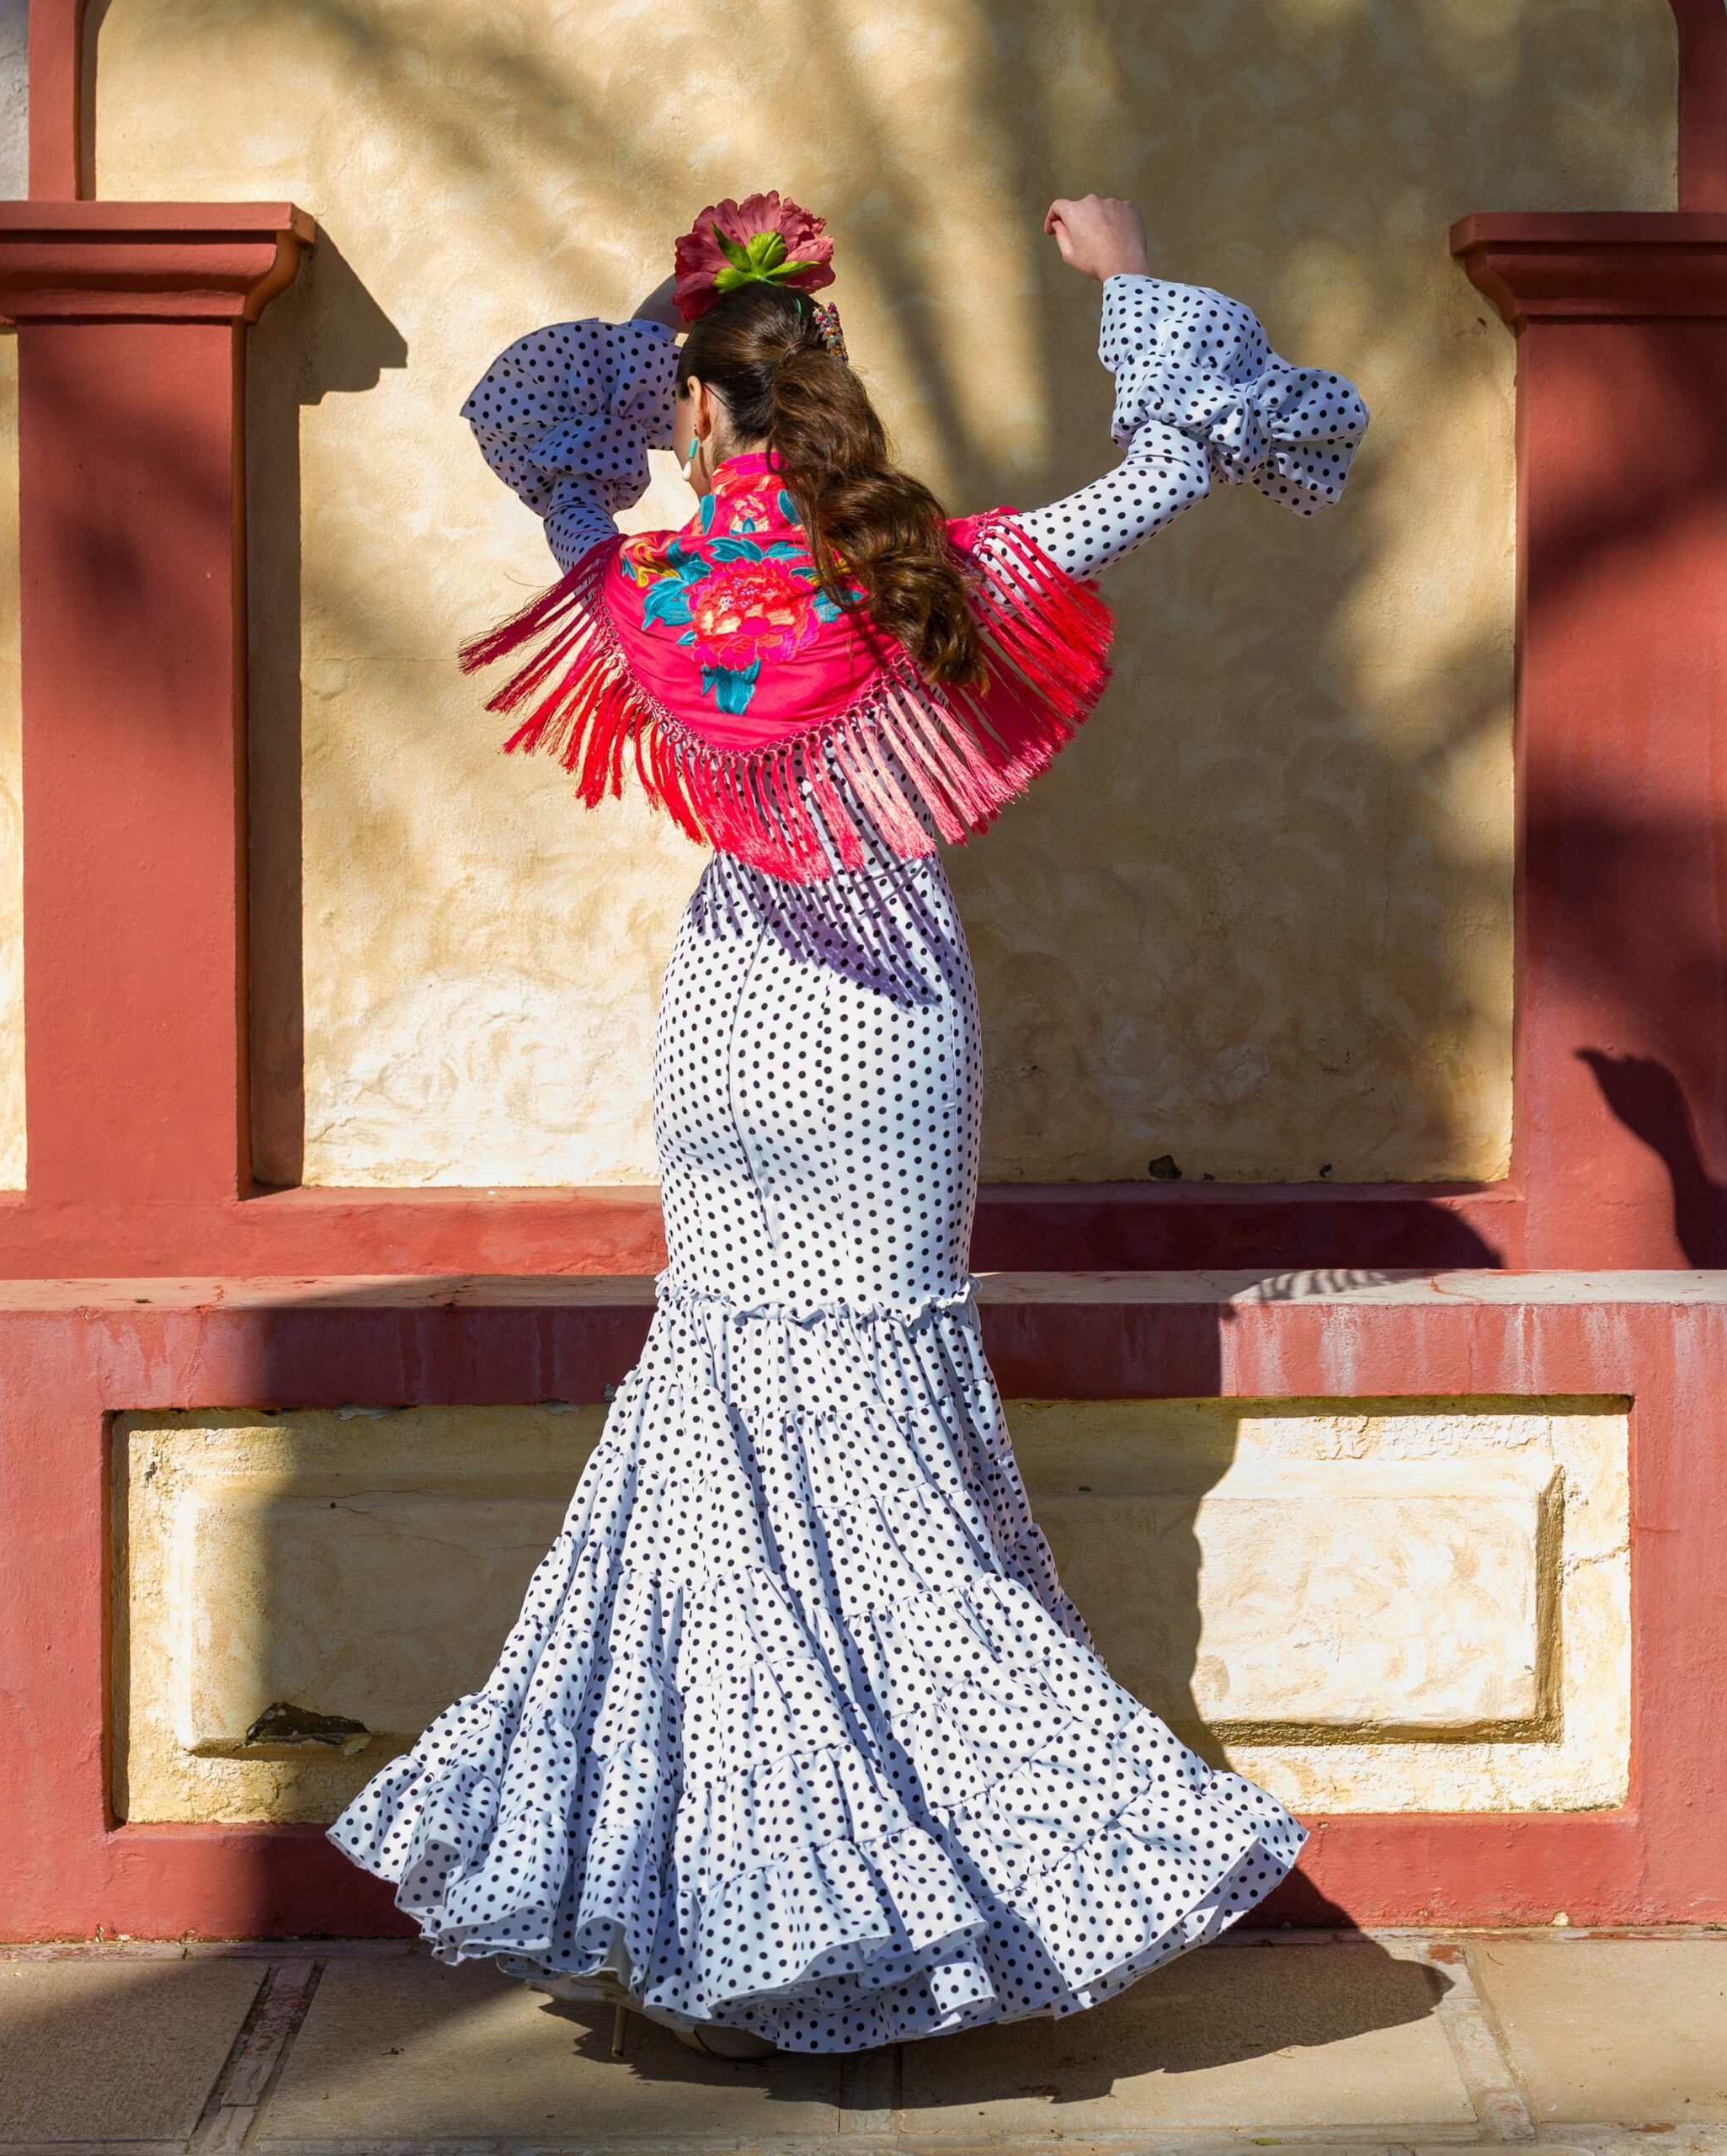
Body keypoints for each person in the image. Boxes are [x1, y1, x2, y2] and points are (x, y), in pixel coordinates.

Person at [329, 192, 1368, 2059]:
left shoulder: (640, 590)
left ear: (699, 415)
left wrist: (688, 321)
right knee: (880, 1426)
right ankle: (908, 1892)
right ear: (825, 401)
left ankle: (738, 1907)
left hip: (733, 1016)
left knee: (721, 1425)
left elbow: (543, 422)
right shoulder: (928, 574)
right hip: (884, 1026)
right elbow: (1178, 457)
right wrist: (1127, 273)